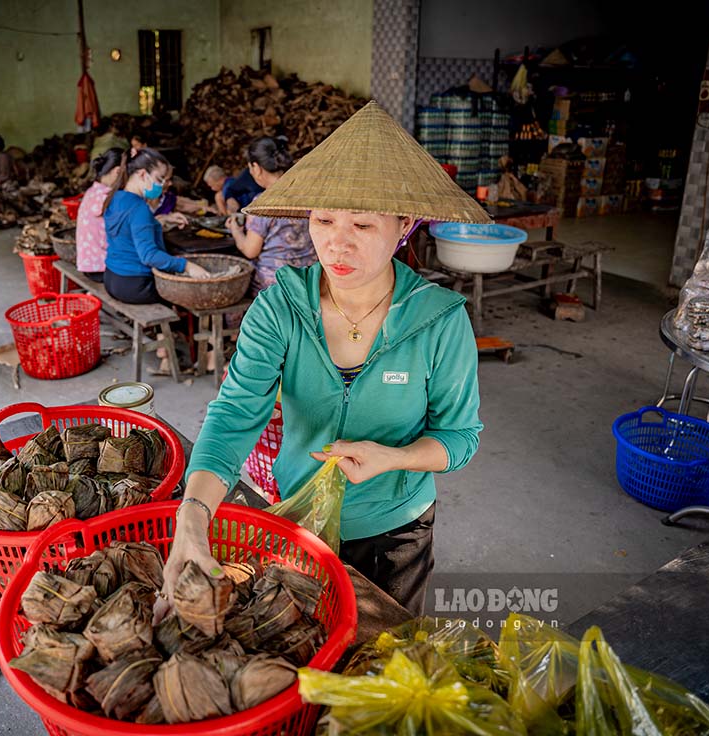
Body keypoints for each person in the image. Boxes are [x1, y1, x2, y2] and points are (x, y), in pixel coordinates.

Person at [155, 102, 489, 619]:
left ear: (404, 226)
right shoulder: (280, 306)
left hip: (395, 528)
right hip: (296, 517)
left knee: (382, 660)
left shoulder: (440, 321)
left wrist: (393, 457)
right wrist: (192, 519)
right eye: (324, 218)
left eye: (361, 223)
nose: (336, 242)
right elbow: (233, 416)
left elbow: (460, 438)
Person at [103, 148, 209, 375]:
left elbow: (129, 232)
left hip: (112, 279)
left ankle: (166, 353)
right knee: (187, 297)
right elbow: (149, 256)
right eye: (160, 179)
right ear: (142, 174)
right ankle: (200, 354)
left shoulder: (116, 197)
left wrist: (161, 219)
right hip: (135, 285)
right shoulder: (139, 207)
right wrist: (187, 266)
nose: (163, 186)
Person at [226, 136, 317, 296]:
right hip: (309, 278)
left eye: (250, 168)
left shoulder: (263, 203)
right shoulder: (309, 195)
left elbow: (250, 251)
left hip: (275, 285)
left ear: (257, 168)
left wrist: (236, 230)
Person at [74, 148, 125, 282]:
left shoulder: (93, 191)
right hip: (101, 268)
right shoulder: (106, 197)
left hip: (88, 264)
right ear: (118, 171)